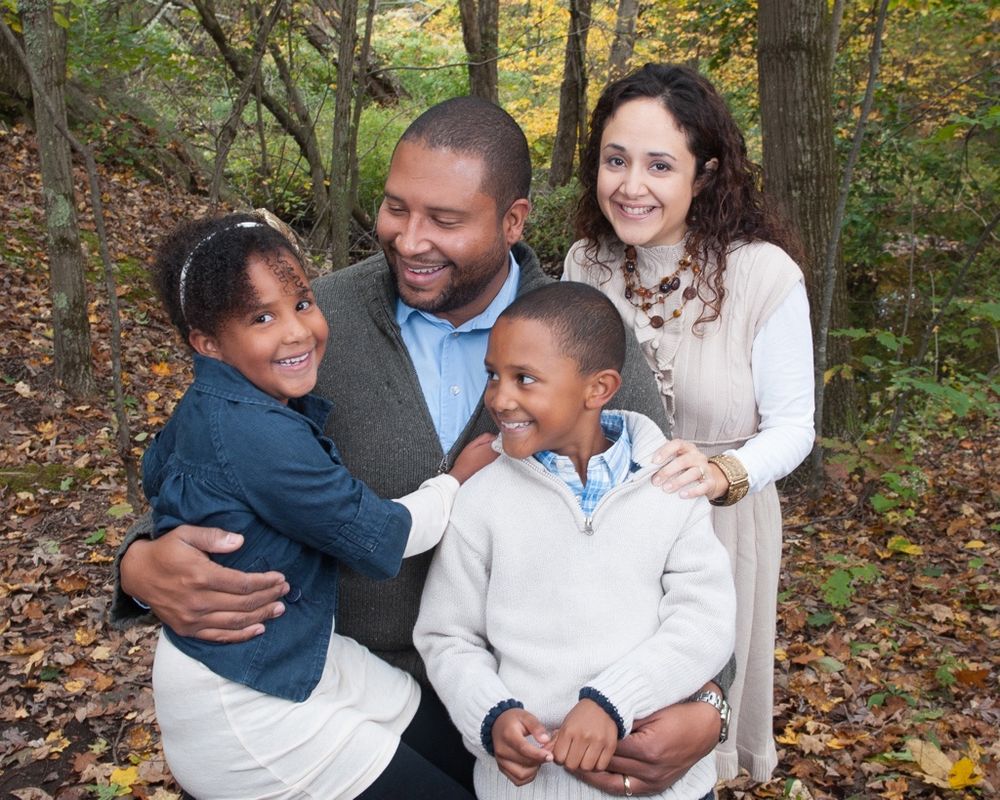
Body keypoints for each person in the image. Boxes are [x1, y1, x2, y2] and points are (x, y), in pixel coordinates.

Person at [113, 97, 731, 794]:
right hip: (328, 691)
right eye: (396, 208)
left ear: (512, 221)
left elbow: (680, 534)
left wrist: (710, 703)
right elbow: (215, 456)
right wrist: (138, 564)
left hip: (536, 718)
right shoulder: (313, 321)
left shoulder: (583, 339)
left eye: (444, 219)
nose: (409, 239)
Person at [143, 211, 499, 798]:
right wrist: (456, 481)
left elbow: (155, 472)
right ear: (207, 344)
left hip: (304, 649)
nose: (297, 331)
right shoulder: (256, 432)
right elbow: (381, 536)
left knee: (460, 750)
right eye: (261, 317)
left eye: (301, 302)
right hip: (245, 698)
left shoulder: (210, 409)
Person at [563, 63, 816, 782]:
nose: (630, 185)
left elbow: (795, 425)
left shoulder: (764, 276)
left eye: (658, 165)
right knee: (609, 718)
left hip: (719, 522)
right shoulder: (589, 263)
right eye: (616, 160)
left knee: (688, 724)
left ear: (704, 174)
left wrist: (723, 474)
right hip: (607, 522)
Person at [414, 282, 736, 800]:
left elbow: (706, 621)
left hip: (660, 787)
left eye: (525, 379)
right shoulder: (483, 497)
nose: (499, 398)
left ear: (598, 389)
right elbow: (447, 636)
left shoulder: (671, 486)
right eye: (492, 375)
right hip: (525, 789)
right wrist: (490, 717)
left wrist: (613, 701)